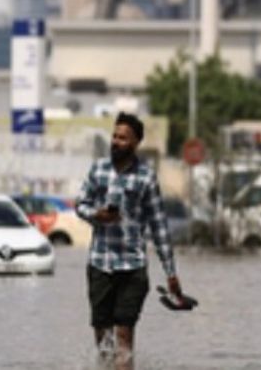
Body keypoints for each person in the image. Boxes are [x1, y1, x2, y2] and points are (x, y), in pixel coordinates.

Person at [75, 112, 182, 370]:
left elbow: (159, 227)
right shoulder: (97, 170)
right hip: (100, 264)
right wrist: (96, 215)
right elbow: (80, 204)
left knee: (124, 334)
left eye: (123, 138)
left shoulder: (146, 178)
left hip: (132, 267)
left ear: (135, 143)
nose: (116, 141)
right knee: (103, 337)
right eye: (114, 136)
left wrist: (171, 273)